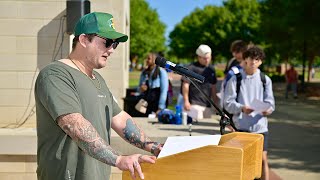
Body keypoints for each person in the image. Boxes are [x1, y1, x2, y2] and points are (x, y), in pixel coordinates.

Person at [35, 12, 163, 180]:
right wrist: (118, 159)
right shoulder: (55, 75)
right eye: (107, 42)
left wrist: (154, 147)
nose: (111, 50)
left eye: (114, 44)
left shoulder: (97, 79)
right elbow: (75, 125)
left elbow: (120, 119)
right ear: (83, 40)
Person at [223, 46, 275, 180]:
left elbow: (271, 104)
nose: (253, 61)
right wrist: (241, 108)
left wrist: (267, 110)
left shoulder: (265, 80)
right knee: (242, 162)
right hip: (241, 126)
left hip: (260, 127)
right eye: (251, 58)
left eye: (257, 59)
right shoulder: (235, 79)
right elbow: (227, 103)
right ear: (245, 59)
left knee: (263, 160)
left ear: (261, 62)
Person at [182, 44, 219, 121]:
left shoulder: (211, 69)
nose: (207, 60)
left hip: (207, 105)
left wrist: (216, 104)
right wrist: (186, 101)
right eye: (205, 58)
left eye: (209, 58)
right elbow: (185, 85)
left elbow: (213, 87)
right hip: (194, 104)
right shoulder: (191, 68)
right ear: (199, 57)